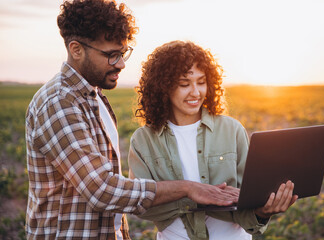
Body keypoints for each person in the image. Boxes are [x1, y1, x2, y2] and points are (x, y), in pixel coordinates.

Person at [25, 1, 240, 239]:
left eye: (123, 53)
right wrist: (188, 188)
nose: (121, 64)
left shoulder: (94, 98)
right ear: (76, 49)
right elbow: (102, 190)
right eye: (111, 55)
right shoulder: (59, 103)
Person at [128, 40, 298, 240]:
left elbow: (246, 201)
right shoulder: (143, 140)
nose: (196, 92)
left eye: (201, 82)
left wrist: (262, 212)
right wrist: (195, 197)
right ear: (163, 87)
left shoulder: (232, 129)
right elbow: (141, 206)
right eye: (184, 84)